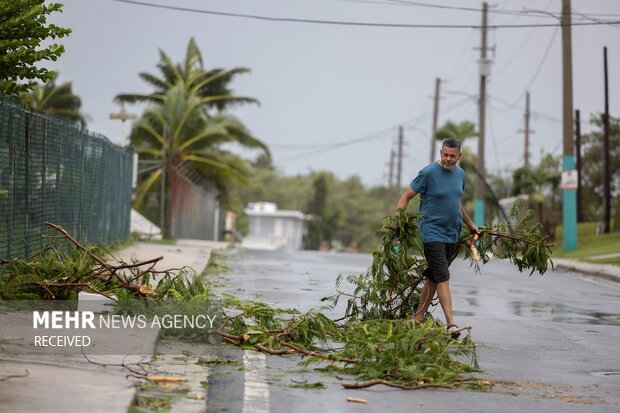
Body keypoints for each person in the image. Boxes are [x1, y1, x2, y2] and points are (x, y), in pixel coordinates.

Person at [396, 137, 479, 338]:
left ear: (459, 156)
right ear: (440, 153)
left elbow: (455, 202)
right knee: (443, 276)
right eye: (445, 155)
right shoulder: (429, 173)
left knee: (434, 276)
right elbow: (406, 196)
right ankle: (451, 324)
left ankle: (418, 317)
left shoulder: (460, 175)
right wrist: (398, 222)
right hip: (431, 232)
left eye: (452, 156)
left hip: (452, 233)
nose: (448, 159)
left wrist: (470, 225)